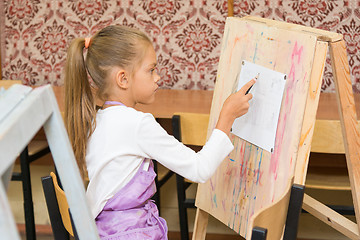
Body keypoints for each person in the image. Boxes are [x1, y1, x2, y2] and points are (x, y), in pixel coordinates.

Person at [64, 25, 255, 240]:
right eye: (151, 69)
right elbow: (199, 169)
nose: (158, 77)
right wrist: (227, 116)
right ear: (123, 79)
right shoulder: (137, 124)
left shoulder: (96, 119)